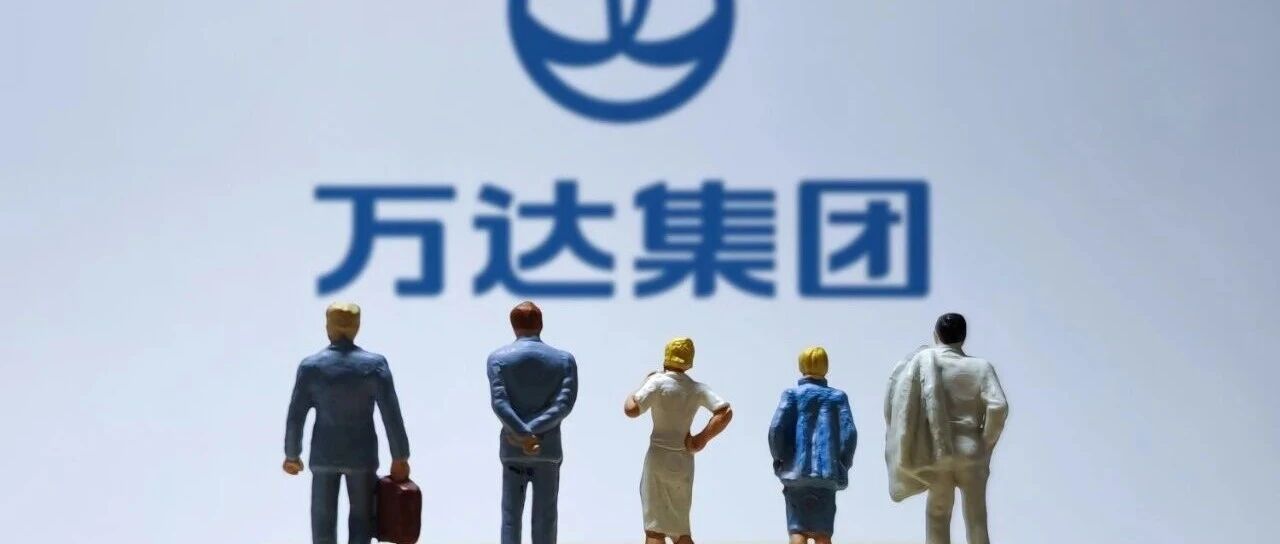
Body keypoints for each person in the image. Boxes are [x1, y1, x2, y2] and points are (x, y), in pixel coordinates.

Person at [283, 302, 411, 544]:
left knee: (322, 521)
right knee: (362, 521)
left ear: (328, 327)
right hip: (362, 457)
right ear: (357, 327)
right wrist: (400, 456)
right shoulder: (375, 365)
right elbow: (391, 414)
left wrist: (292, 454)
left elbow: (296, 416)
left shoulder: (311, 368)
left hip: (324, 456)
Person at [884, 313, 1009, 544]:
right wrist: (985, 443)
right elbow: (998, 406)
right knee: (976, 517)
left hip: (938, 450)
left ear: (936, 335)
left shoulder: (925, 361)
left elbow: (902, 401)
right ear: (964, 337)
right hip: (972, 450)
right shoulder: (981, 367)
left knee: (938, 514)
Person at [624, 337, 734, 544]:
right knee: (680, 528)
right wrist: (700, 440)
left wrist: (642, 385)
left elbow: (631, 409)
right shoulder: (696, 388)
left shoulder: (656, 382)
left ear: (666, 357)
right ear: (689, 362)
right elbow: (725, 412)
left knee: (655, 528)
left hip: (658, 457)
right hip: (683, 460)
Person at [487, 301, 579, 544]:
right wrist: (533, 431)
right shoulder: (564, 360)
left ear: (513, 325)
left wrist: (522, 433)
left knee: (510, 516)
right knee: (546, 517)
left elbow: (500, 403)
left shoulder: (498, 359)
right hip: (547, 450)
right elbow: (563, 405)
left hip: (513, 448)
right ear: (540, 324)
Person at [768, 347, 858, 544]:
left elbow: (776, 429)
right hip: (827, 475)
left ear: (801, 366)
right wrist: (842, 464)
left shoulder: (792, 395)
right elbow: (849, 433)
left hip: (796, 474)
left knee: (797, 529)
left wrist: (780, 460)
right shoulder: (838, 397)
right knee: (823, 533)